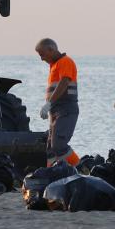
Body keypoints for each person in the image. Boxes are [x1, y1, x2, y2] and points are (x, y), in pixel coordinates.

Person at [36, 38, 80, 166]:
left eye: (42, 54)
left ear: (51, 49)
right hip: (55, 111)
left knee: (59, 145)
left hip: (66, 109)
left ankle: (81, 168)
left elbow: (64, 82)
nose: (41, 58)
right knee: (50, 147)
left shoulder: (65, 61)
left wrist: (49, 103)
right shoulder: (54, 65)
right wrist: (50, 107)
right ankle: (50, 174)